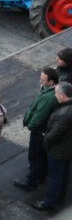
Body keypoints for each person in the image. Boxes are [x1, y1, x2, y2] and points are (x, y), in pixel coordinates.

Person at [14, 68, 59, 190]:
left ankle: (32, 182)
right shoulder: (50, 92)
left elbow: (39, 116)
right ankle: (40, 176)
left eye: (42, 79)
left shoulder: (48, 98)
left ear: (51, 82)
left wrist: (31, 126)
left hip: (39, 132)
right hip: (44, 131)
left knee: (35, 157)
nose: (40, 81)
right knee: (41, 157)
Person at [33, 81, 72, 211]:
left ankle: (49, 202)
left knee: (55, 177)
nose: (54, 96)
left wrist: (45, 142)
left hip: (58, 150)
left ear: (62, 95)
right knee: (63, 174)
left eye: (55, 93)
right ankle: (60, 196)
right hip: (67, 148)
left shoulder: (63, 114)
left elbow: (54, 134)